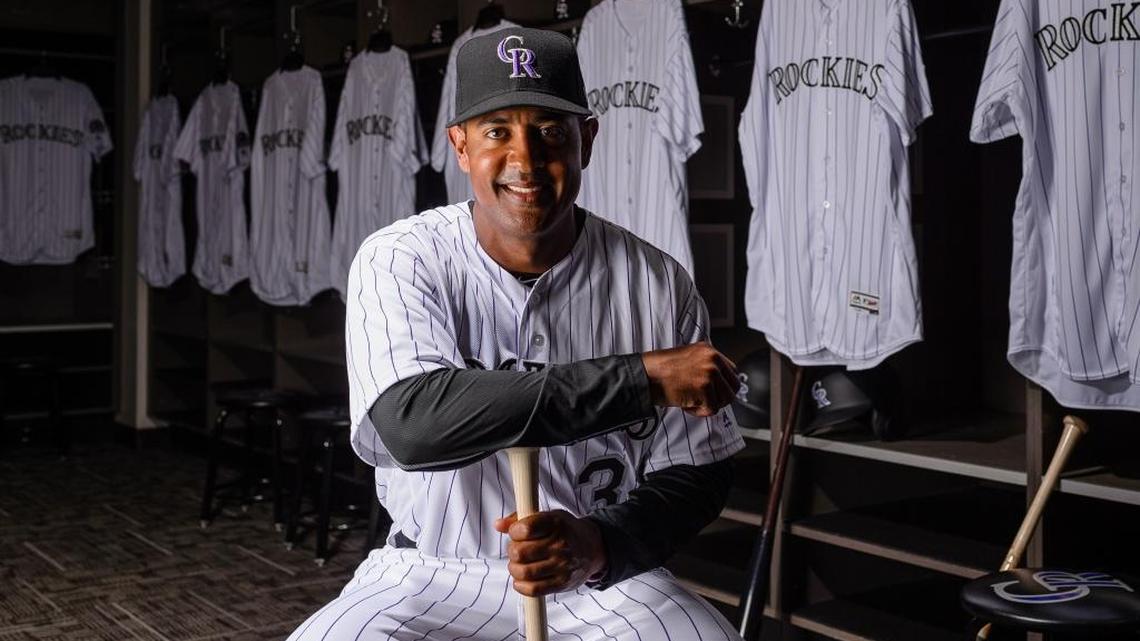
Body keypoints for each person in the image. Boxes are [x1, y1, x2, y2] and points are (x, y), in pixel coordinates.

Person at [289, 27, 746, 641]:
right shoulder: (402, 258)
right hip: (428, 572)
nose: (525, 160)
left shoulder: (657, 282)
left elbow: (698, 471)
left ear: (586, 138)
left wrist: (601, 542)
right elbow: (414, 424)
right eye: (497, 131)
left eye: (551, 132)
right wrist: (643, 377)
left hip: (593, 580)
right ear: (459, 144)